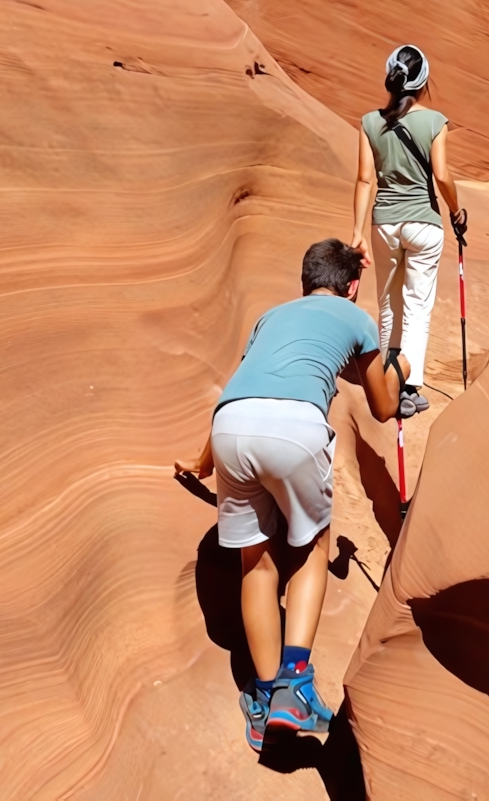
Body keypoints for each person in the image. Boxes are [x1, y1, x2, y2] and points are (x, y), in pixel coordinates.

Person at [174, 238, 408, 752]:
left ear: (305, 282)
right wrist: (400, 368)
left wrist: (199, 463)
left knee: (255, 563)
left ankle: (262, 697)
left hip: (230, 426)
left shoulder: (269, 318)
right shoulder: (356, 318)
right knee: (311, 549)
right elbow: (385, 406)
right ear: (351, 287)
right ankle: (295, 685)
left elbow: (239, 388)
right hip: (295, 425)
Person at [351, 44, 466, 417]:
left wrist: (357, 231)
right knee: (417, 305)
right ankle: (408, 385)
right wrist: (457, 209)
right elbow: (442, 175)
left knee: (388, 304)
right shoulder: (435, 121)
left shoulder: (370, 122)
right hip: (423, 223)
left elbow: (365, 180)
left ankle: (388, 375)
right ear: (424, 81)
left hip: (384, 223)